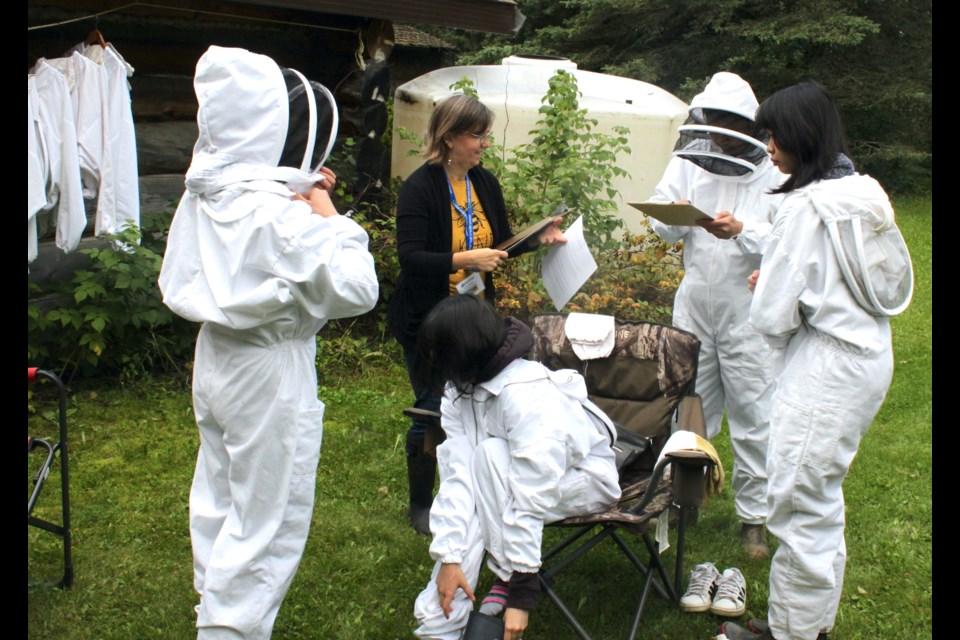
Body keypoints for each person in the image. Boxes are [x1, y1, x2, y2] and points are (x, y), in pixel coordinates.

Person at [157, 46, 379, 640]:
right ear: (268, 124)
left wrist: (298, 189)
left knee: (219, 493)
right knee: (267, 517)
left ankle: (214, 604)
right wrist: (329, 214)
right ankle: (228, 630)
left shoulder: (203, 192)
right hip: (268, 368)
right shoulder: (280, 216)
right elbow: (358, 288)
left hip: (216, 357)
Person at [715, 82, 913, 640]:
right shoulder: (861, 191)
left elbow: (773, 317)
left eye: (775, 135)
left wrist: (768, 288)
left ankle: (793, 635)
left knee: (799, 501)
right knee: (819, 497)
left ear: (800, 136)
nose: (768, 146)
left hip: (828, 365)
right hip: (866, 352)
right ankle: (806, 626)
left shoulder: (804, 208)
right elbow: (861, 277)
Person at [387, 93, 566, 535]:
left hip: (475, 317)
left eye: (487, 135)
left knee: (476, 407)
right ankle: (419, 505)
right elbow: (410, 258)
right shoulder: (420, 187)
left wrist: (537, 239)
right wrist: (465, 260)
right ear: (449, 138)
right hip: (427, 321)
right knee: (433, 406)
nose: (485, 144)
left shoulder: (483, 182)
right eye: (477, 135)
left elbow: (499, 245)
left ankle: (472, 493)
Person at [409, 294, 622, 640]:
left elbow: (530, 494)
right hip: (501, 483)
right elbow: (457, 478)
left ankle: (502, 581)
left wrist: (521, 591)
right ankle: (441, 625)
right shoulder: (458, 390)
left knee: (489, 458)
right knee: (481, 471)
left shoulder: (526, 394)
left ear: (464, 349)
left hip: (582, 480)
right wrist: (449, 558)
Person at [646, 71, 785, 559]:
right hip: (694, 307)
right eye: (716, 122)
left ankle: (755, 520)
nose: (721, 133)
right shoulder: (689, 161)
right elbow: (661, 224)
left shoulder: (775, 169)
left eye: (730, 123)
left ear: (747, 124)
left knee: (755, 413)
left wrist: (743, 229)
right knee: (690, 408)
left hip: (750, 312)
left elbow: (789, 241)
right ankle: (687, 500)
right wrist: (672, 213)